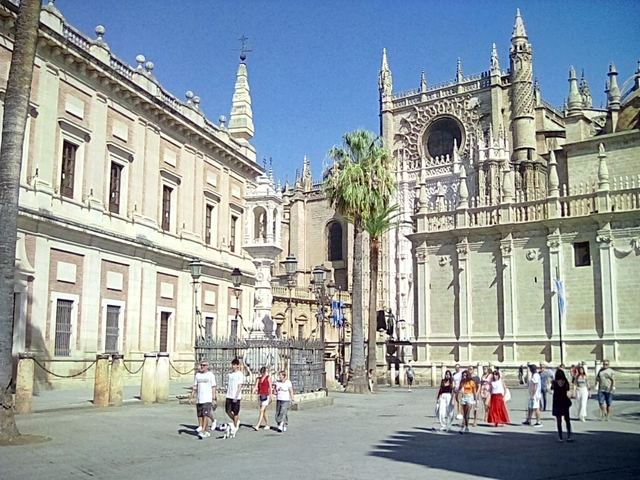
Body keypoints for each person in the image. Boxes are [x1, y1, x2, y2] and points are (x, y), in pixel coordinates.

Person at [189, 360, 217, 439]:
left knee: (205, 414)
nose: (202, 366)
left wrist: (214, 398)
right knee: (200, 415)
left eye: (204, 365)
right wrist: (192, 396)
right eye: (201, 365)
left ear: (207, 366)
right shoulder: (198, 375)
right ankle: (205, 429)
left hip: (207, 398)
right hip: (199, 398)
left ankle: (204, 430)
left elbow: (213, 387)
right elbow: (195, 386)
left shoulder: (210, 375)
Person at [552, 368, 573, 442]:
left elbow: (552, 389)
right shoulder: (565, 382)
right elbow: (567, 389)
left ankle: (560, 437)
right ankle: (569, 436)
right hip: (564, 401)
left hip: (557, 402)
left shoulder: (554, 382)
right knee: (567, 419)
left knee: (559, 420)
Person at [225, 358, 244, 435]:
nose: (233, 366)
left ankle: (235, 426)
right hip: (229, 395)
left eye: (234, 365)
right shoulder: (230, 374)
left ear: (237, 366)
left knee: (235, 412)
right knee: (228, 411)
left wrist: (236, 396)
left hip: (236, 396)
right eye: (232, 365)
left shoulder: (240, 374)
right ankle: (236, 421)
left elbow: (240, 386)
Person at [252, 366, 271, 431]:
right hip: (260, 395)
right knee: (264, 411)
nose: (262, 374)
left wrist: (271, 396)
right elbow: (256, 386)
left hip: (266, 395)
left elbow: (270, 387)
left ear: (265, 372)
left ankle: (258, 425)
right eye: (261, 373)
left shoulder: (268, 378)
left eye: (263, 372)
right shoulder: (258, 379)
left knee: (262, 410)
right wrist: (252, 393)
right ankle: (268, 424)